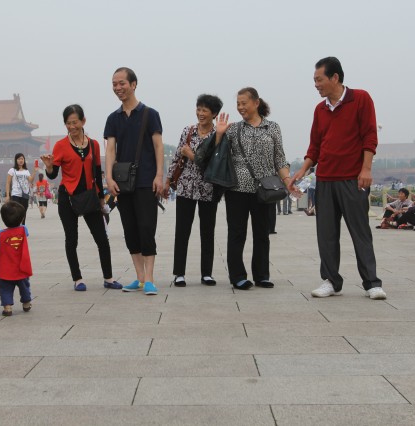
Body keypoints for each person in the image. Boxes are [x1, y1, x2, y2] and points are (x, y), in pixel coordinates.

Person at [289, 56, 386, 300]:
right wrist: (302, 171)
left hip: (352, 180)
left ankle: (372, 283)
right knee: (327, 234)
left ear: (335, 77)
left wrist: (366, 169)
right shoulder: (320, 110)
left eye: (319, 80)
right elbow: (316, 146)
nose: (316, 85)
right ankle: (331, 280)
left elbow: (369, 137)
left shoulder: (361, 99)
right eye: (314, 80)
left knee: (360, 231)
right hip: (325, 180)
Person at [215, 87, 290, 290]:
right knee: (237, 233)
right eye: (238, 104)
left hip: (265, 189)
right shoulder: (233, 129)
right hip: (237, 189)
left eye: (244, 103)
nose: (240, 107)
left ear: (256, 103)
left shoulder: (272, 128)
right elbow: (217, 155)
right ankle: (238, 276)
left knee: (262, 234)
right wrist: (219, 134)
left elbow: (279, 158)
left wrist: (288, 179)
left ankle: (262, 275)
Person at [41, 104, 123, 292]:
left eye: (75, 122)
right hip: (68, 198)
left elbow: (96, 172)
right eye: (68, 123)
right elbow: (53, 176)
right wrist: (49, 167)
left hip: (90, 197)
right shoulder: (60, 145)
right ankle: (77, 279)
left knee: (102, 238)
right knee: (72, 239)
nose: (72, 126)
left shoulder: (93, 144)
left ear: (83, 121)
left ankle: (108, 278)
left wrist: (102, 200)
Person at [104, 67, 165, 296]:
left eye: (122, 83)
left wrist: (159, 175)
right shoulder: (113, 118)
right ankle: (139, 277)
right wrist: (108, 177)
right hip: (122, 182)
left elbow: (158, 146)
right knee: (130, 229)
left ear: (134, 84)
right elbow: (110, 149)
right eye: (114, 84)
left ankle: (149, 278)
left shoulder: (150, 114)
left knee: (146, 227)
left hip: (146, 180)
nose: (118, 88)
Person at [164, 94, 223, 287]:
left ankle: (207, 273)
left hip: (208, 188)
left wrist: (192, 154)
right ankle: (179, 273)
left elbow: (216, 162)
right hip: (185, 187)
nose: (200, 113)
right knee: (182, 231)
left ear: (214, 113)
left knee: (207, 231)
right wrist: (168, 179)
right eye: (198, 109)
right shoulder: (188, 131)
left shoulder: (219, 134)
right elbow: (176, 158)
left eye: (205, 110)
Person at [0, 201, 33, 316]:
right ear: (21, 219)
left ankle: (7, 308)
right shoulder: (23, 230)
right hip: (21, 267)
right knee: (24, 286)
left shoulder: (0, 234)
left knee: (5, 288)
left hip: (6, 269)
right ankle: (26, 303)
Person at [5, 153, 37, 225]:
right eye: (19, 159)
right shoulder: (12, 170)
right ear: (16, 160)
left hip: (25, 194)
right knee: (16, 212)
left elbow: (31, 180)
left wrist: (34, 171)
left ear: (24, 160)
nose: (21, 160)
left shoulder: (26, 171)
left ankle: (22, 228)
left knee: (24, 212)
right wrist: (7, 195)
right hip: (15, 194)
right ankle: (17, 227)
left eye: (22, 159)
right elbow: (8, 183)